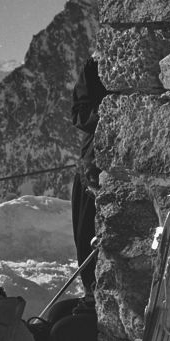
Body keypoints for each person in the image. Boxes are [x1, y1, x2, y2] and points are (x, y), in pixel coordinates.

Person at [70, 57, 108, 308]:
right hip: (92, 165)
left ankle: (95, 293)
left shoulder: (94, 65)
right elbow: (80, 114)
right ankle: (91, 292)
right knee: (87, 232)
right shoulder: (94, 66)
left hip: (95, 164)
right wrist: (109, 112)